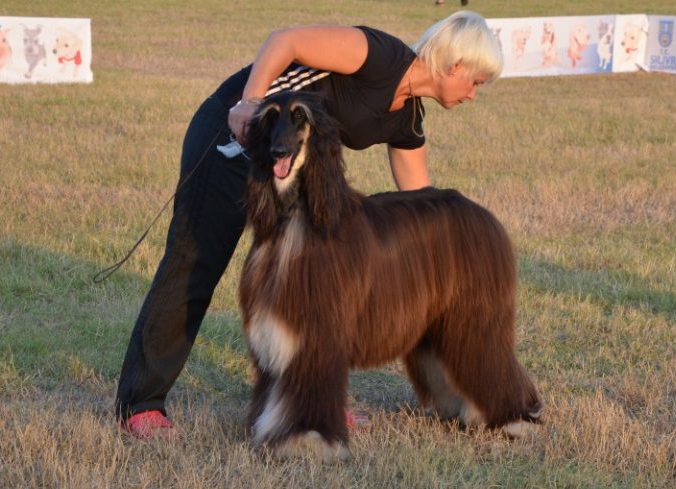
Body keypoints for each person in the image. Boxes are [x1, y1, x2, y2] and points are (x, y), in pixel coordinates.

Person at [115, 10, 503, 439]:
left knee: (316, 282)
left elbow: (424, 208)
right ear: (456, 67)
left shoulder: (407, 117)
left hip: (286, 170)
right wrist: (248, 103)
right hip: (235, 134)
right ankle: (141, 403)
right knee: (196, 264)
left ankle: (316, 401)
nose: (473, 95)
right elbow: (286, 41)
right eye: (477, 82)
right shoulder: (378, 55)